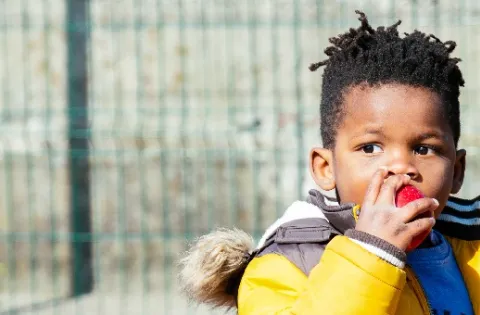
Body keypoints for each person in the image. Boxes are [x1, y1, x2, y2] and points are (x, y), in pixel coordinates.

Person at [179, 10, 480, 315]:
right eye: (371, 147)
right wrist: (372, 253)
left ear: (456, 172)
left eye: (424, 149)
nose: (400, 167)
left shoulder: (470, 247)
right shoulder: (287, 263)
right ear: (326, 168)